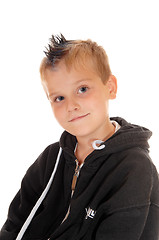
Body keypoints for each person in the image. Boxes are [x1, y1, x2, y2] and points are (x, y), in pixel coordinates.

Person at [0, 34, 159, 240]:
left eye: (82, 89)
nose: (71, 106)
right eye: (59, 98)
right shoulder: (51, 158)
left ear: (110, 87)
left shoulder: (134, 168)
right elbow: (15, 224)